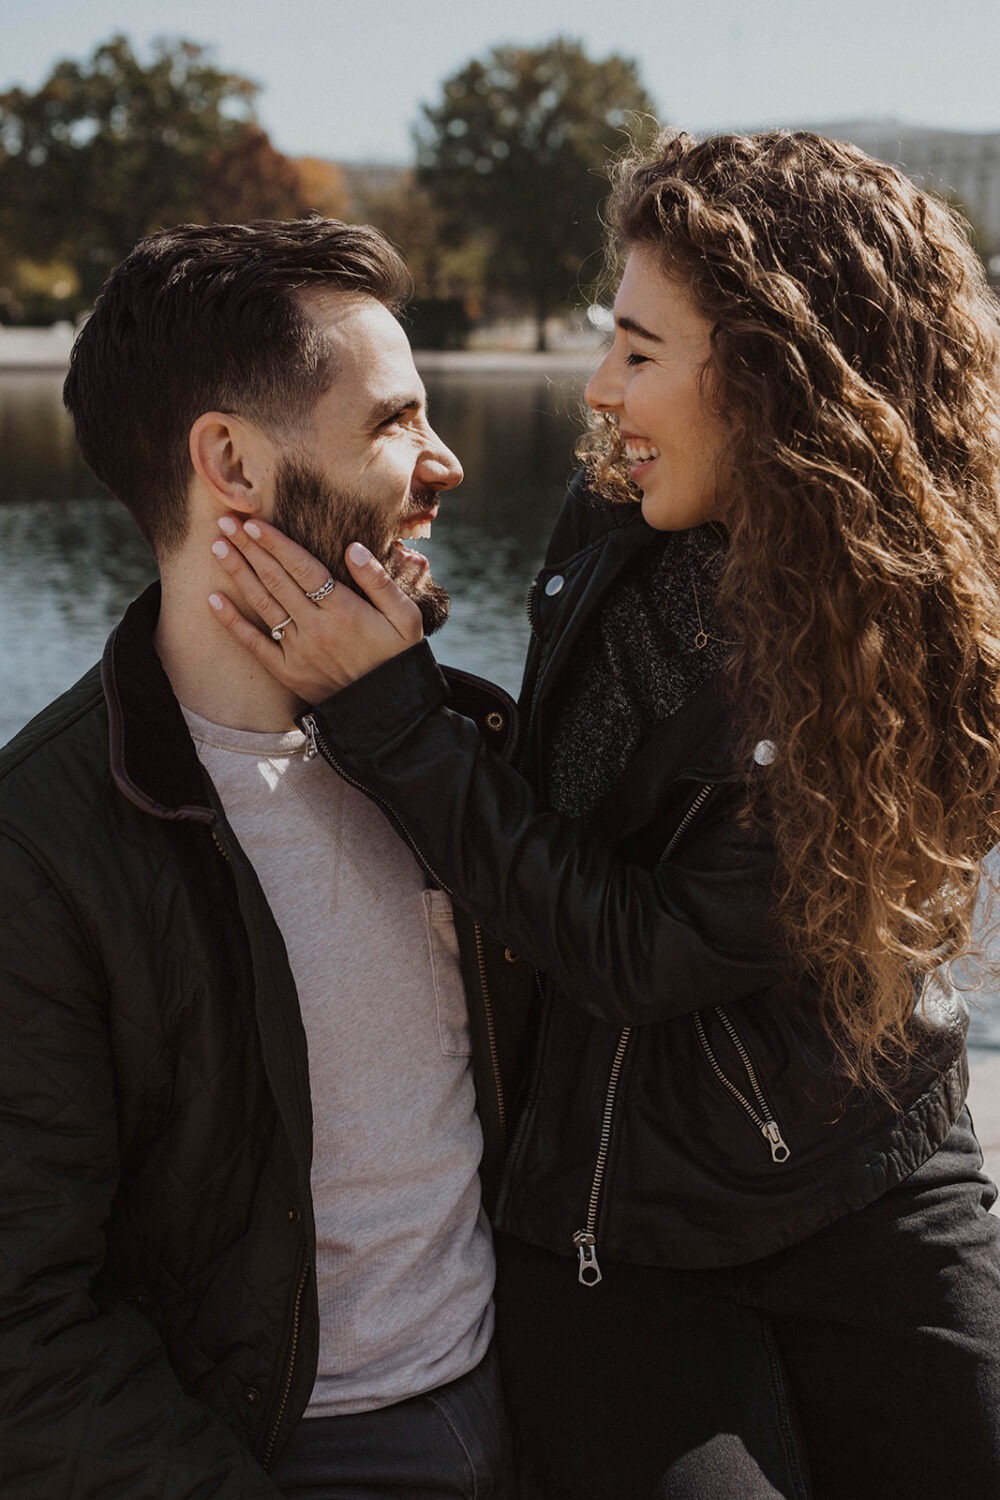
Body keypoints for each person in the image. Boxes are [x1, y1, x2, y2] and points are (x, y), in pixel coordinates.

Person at [209, 132, 1000, 1500]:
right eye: (607, 343)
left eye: (639, 352)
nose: (598, 391)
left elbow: (648, 945)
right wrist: (391, 691)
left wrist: (395, 718)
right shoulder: (610, 516)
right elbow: (554, 833)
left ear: (772, 373)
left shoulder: (920, 627)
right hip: (611, 1217)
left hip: (871, 1169)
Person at [0, 218, 526, 1498]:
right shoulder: (40, 845)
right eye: (394, 422)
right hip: (280, 1457)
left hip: (536, 1406)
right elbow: (26, 1330)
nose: (445, 461)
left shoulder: (451, 753)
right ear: (229, 460)